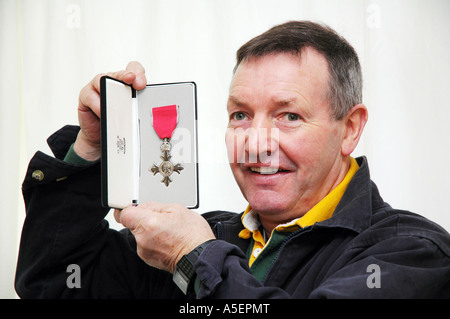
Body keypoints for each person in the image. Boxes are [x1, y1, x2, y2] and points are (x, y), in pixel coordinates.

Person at [15, 21, 450, 299]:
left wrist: (192, 257)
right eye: (240, 115)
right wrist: (91, 149)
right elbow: (52, 282)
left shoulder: (410, 254)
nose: (256, 143)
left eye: (289, 116)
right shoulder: (204, 236)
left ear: (350, 129)